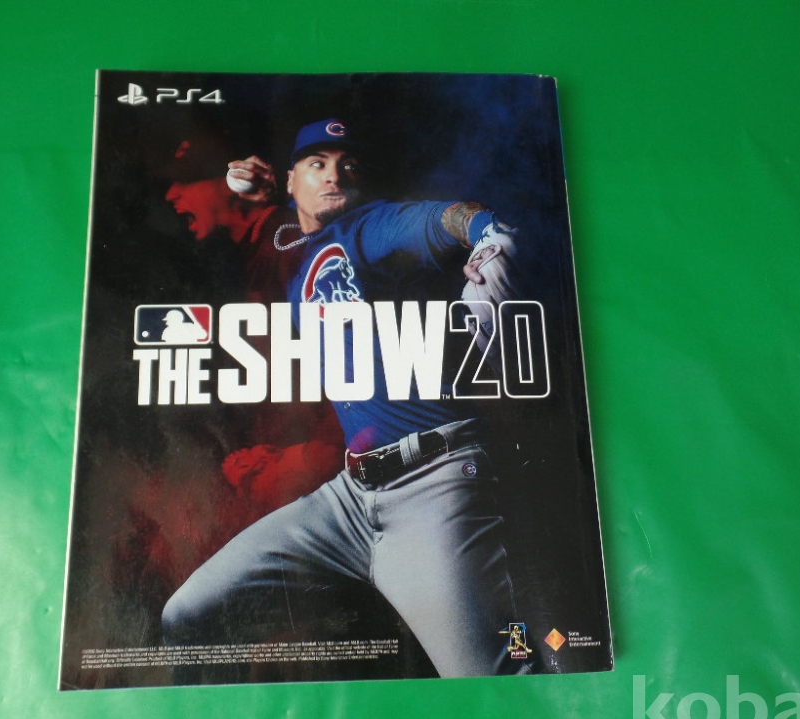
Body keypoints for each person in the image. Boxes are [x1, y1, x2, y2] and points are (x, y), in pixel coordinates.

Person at [162, 118, 530, 680]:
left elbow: (438, 219)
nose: (335, 175)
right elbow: (279, 228)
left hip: (435, 486)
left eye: (348, 166)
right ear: (291, 180)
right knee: (187, 614)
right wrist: (261, 194)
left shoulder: (369, 228)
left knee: (490, 678)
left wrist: (486, 230)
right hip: (347, 501)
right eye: (318, 164)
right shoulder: (297, 246)